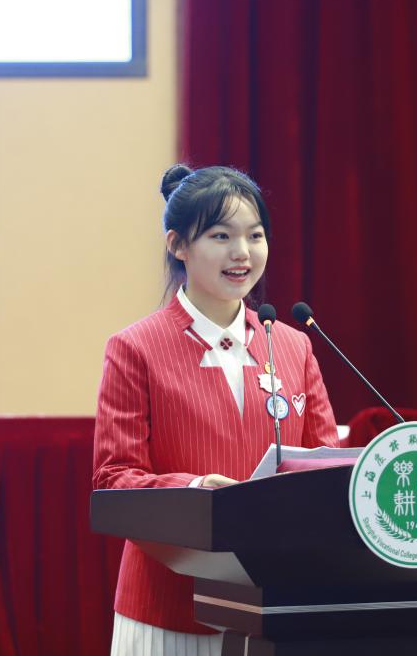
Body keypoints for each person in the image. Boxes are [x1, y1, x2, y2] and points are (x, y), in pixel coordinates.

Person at [93, 164, 340, 655]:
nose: (242, 252)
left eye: (255, 235)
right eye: (221, 235)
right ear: (178, 245)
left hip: (274, 606)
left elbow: (326, 465)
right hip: (169, 611)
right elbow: (114, 478)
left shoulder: (293, 345)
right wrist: (196, 490)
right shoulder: (135, 348)